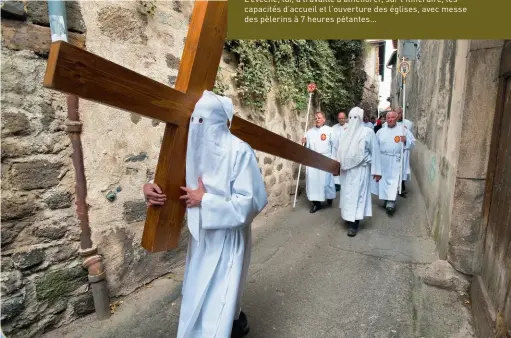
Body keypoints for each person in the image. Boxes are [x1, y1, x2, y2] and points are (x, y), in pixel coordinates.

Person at [143, 90, 268, 338]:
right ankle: (231, 323)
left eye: (205, 120)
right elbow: (170, 179)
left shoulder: (239, 151)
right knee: (197, 293)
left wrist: (206, 200)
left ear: (221, 123)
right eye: (195, 120)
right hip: (201, 239)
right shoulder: (190, 147)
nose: (198, 127)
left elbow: (253, 202)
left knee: (221, 299)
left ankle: (231, 324)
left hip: (228, 238)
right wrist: (149, 188)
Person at [337, 107, 382, 237]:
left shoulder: (367, 132)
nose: (352, 120)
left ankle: (355, 223)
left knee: (358, 195)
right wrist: (337, 165)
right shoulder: (345, 132)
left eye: (355, 118)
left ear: (361, 119)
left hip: (360, 170)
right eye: (350, 117)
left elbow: (375, 151)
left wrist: (377, 171)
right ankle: (348, 217)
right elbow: (340, 150)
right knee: (347, 195)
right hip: (346, 171)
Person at [373, 111, 414, 215]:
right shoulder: (380, 132)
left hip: (395, 160)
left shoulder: (403, 130)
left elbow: (412, 143)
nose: (390, 119)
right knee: (383, 181)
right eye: (388, 118)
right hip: (383, 160)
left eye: (392, 118)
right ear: (386, 120)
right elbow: (375, 147)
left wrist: (405, 141)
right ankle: (386, 199)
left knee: (393, 181)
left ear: (396, 119)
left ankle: (391, 202)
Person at [301, 111, 336, 213]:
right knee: (313, 182)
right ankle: (316, 204)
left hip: (325, 158)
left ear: (324, 119)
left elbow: (335, 146)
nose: (317, 119)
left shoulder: (330, 130)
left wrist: (333, 159)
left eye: (319, 118)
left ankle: (329, 197)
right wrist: (304, 143)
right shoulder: (309, 132)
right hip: (313, 160)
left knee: (326, 182)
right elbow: (306, 148)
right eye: (316, 118)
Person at [395, 107, 414, 195]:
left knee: (402, 168)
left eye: (399, 113)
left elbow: (410, 136)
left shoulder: (408, 123)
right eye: (396, 113)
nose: (397, 115)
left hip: (404, 150)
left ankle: (402, 185)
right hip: (394, 150)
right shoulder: (391, 123)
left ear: (402, 113)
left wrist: (406, 140)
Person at [331, 111, 348, 192]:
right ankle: (337, 184)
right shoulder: (333, 128)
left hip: (345, 152)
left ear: (346, 118)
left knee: (345, 168)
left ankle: (345, 184)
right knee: (336, 168)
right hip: (335, 151)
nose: (341, 120)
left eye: (342, 118)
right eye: (340, 118)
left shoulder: (350, 127)